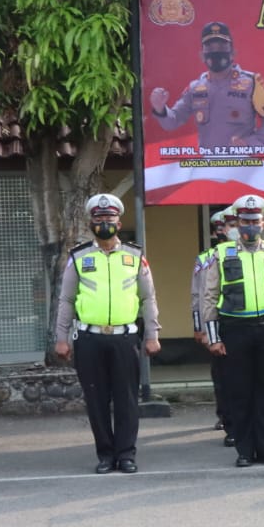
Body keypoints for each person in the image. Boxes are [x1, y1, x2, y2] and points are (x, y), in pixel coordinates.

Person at [53, 194, 161, 474]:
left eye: (109, 219)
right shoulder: (79, 257)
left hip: (125, 338)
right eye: (99, 219)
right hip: (89, 339)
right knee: (96, 399)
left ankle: (126, 454)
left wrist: (152, 334)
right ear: (91, 223)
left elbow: (148, 298)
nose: (104, 223)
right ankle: (105, 454)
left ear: (119, 222)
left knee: (126, 398)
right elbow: (65, 300)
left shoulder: (135, 256)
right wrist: (61, 337)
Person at [200, 195, 264, 467]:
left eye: (255, 221)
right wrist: (214, 337)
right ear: (237, 223)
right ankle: (244, 451)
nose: (250, 226)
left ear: (263, 222)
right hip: (235, 330)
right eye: (245, 221)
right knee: (239, 392)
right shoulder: (221, 254)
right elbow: (208, 298)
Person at [149, 21, 264, 151]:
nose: (216, 52)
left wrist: (250, 144)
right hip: (207, 166)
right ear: (202, 55)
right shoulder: (195, 88)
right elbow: (172, 121)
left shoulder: (252, 82)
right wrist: (160, 108)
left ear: (233, 53)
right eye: (210, 48)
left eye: (221, 47)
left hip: (243, 165)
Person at [194, 209, 232, 441]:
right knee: (222, 376)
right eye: (219, 227)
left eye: (226, 226)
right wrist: (200, 327)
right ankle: (226, 417)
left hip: (240, 322)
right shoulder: (207, 258)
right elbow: (198, 295)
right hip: (215, 324)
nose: (223, 231)